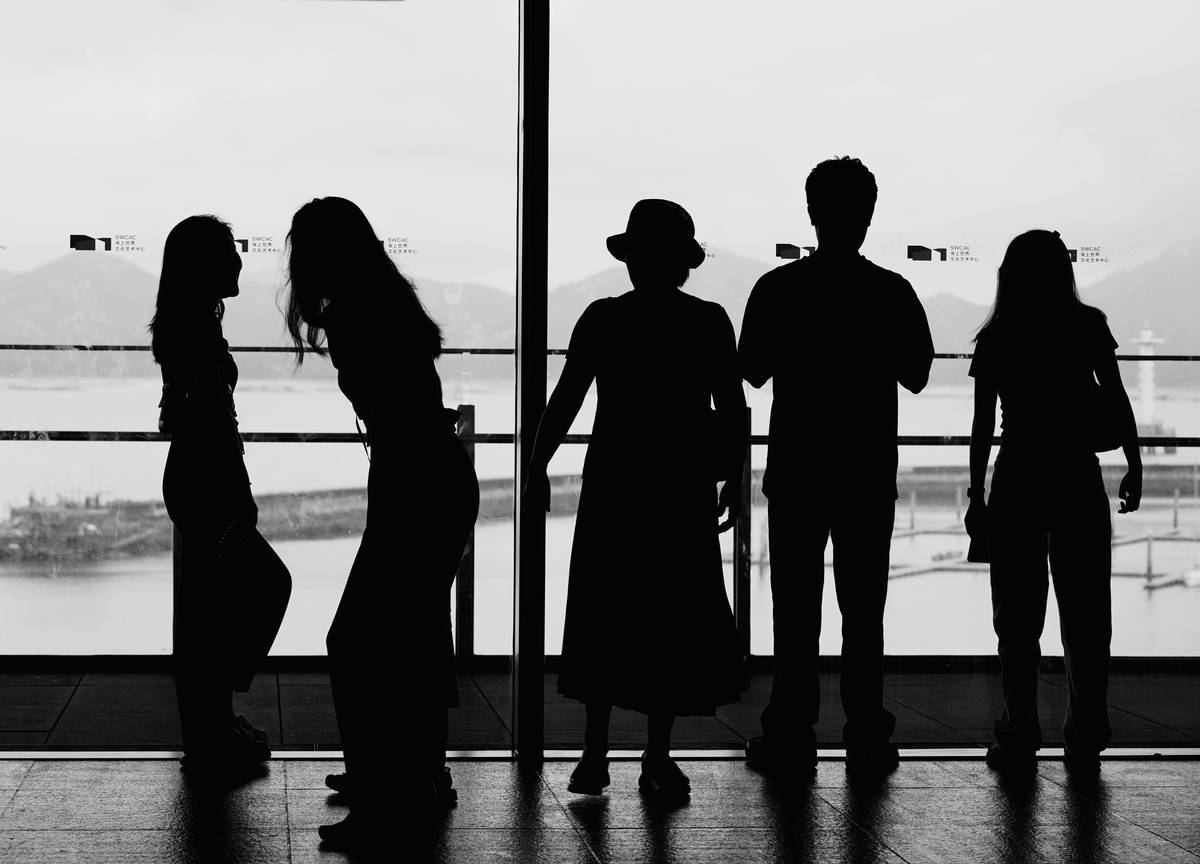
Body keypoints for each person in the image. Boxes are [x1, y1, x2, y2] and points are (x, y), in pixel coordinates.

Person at [526, 198, 748, 803]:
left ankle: (594, 752)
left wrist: (536, 463)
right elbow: (731, 409)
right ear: (683, 264)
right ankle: (657, 755)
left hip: (615, 483)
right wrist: (731, 477)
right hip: (680, 486)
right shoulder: (709, 322)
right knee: (670, 618)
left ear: (632, 261)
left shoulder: (602, 319)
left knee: (606, 609)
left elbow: (566, 399)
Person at [284, 197, 479, 851]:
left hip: (413, 482)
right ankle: (418, 775)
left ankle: (382, 795)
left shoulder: (354, 314)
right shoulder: (387, 301)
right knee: (414, 635)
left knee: (358, 643)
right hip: (435, 476)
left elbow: (393, 410)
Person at [739, 157, 933, 777]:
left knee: (794, 613)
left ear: (811, 212)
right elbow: (918, 374)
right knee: (863, 612)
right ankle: (866, 733)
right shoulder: (892, 291)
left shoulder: (778, 289)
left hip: (797, 469)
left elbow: (752, 367)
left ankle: (790, 732)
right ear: (869, 215)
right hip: (865, 471)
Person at [965, 229, 1141, 777]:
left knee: (1017, 617)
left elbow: (981, 427)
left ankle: (1020, 731)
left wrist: (977, 495)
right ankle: (1085, 732)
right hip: (1075, 475)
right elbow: (1115, 396)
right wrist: (1135, 463)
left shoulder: (997, 335)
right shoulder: (1087, 325)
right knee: (1088, 615)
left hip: (1017, 476)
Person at [150, 215, 292, 781]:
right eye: (229, 255)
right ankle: (213, 720)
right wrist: (240, 494)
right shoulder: (194, 332)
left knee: (213, 608)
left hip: (196, 484)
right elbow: (213, 425)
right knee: (265, 586)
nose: (239, 262)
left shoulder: (192, 325)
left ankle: (213, 722)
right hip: (208, 489)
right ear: (206, 265)